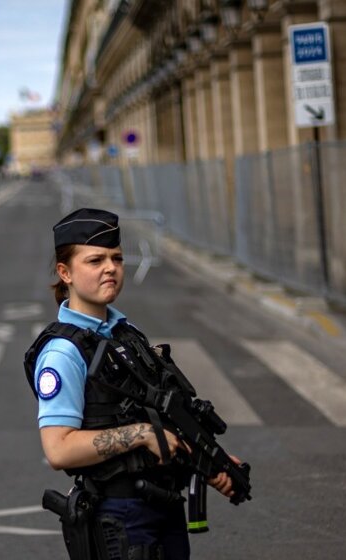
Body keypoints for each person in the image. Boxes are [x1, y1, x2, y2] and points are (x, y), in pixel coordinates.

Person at [25, 208, 243, 560]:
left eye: (117, 258)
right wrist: (140, 434)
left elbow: (162, 421)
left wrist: (207, 460)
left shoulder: (126, 334)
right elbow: (58, 449)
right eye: (95, 260)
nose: (110, 267)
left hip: (163, 504)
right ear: (65, 273)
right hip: (119, 515)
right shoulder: (63, 353)